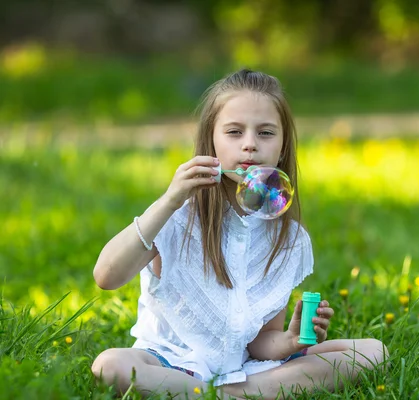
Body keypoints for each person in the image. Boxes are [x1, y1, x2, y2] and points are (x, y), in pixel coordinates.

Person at [91, 69, 388, 399]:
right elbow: (106, 276)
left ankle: (213, 394)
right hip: (169, 362)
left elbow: (262, 341)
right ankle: (232, 394)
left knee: (373, 352)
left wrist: (290, 340)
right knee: (110, 365)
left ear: (282, 145)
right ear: (211, 141)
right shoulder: (177, 217)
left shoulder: (287, 238)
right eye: (234, 132)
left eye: (265, 133)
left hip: (246, 368)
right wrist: (169, 200)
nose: (250, 144)